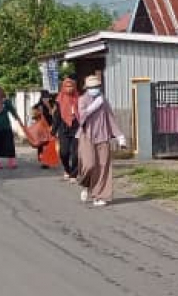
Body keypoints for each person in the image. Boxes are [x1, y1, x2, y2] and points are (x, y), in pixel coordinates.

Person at [76, 74, 126, 207]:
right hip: (87, 136)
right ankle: (86, 184)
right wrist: (92, 107)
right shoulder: (82, 100)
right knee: (89, 165)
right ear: (87, 88)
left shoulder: (103, 100)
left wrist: (120, 137)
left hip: (103, 137)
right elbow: (81, 117)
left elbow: (111, 118)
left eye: (97, 86)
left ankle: (100, 196)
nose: (95, 89)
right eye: (92, 87)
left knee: (103, 167)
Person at [54, 76, 81, 181]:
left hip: (76, 126)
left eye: (71, 86)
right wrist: (53, 131)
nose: (69, 88)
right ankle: (67, 169)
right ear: (63, 87)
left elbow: (83, 113)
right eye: (67, 86)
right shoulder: (59, 100)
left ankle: (74, 174)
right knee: (64, 152)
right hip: (63, 127)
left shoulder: (79, 98)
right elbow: (57, 116)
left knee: (76, 153)